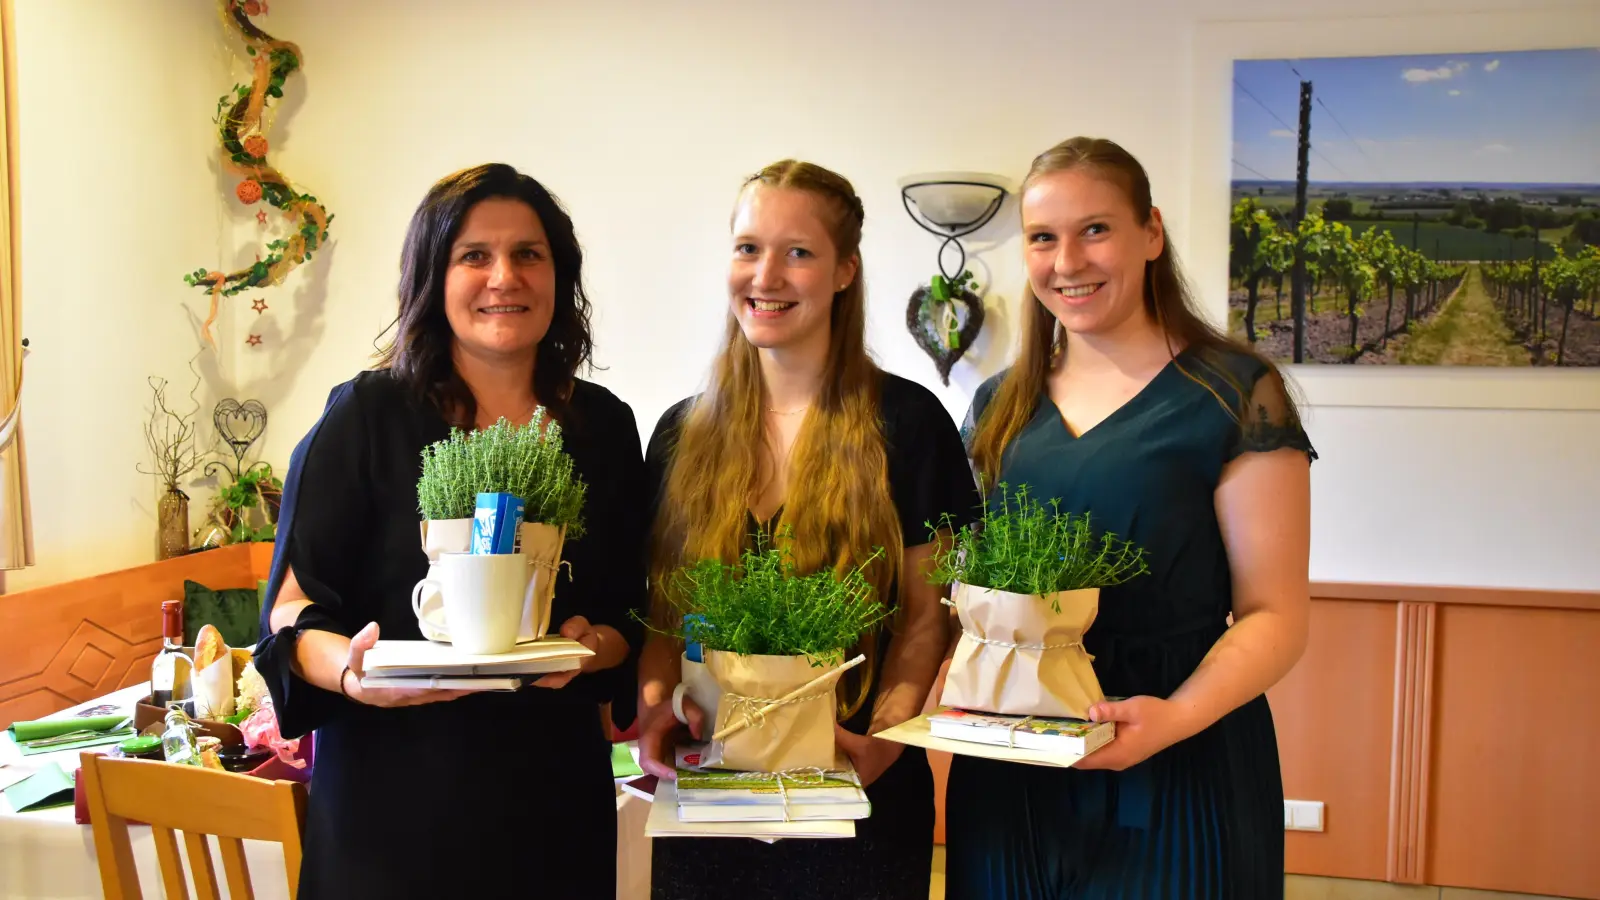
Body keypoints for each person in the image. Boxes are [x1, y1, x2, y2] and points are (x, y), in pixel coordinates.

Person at [253, 163, 647, 899]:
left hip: (552, 811)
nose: (504, 277)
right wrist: (354, 674)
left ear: (559, 275)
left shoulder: (604, 429)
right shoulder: (365, 418)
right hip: (389, 816)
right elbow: (290, 612)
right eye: (474, 256)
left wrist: (593, 646)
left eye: (528, 254)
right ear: (433, 278)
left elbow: (631, 612)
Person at [942, 136, 1315, 898]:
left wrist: (1172, 719)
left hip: (1181, 759)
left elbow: (1277, 616)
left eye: (1095, 230)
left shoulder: (1235, 393)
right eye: (1043, 237)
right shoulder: (998, 404)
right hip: (1015, 770)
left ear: (1151, 233)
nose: (1067, 261)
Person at [634, 159, 981, 900]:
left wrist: (882, 741)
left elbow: (928, 619)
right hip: (713, 795)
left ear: (845, 270)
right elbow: (664, 612)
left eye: (798, 252)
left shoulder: (909, 423)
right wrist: (657, 703)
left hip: (856, 793)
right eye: (748, 248)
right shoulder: (679, 433)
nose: (767, 275)